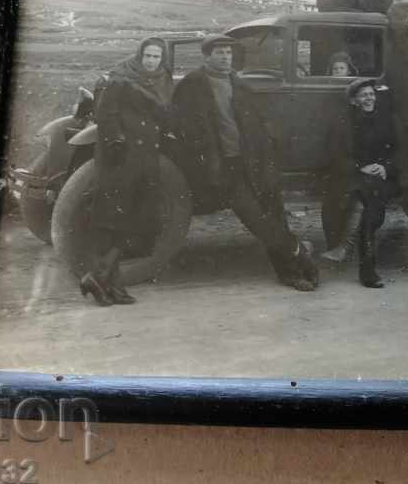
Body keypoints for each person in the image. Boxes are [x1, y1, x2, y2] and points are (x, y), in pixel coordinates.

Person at [171, 35, 319, 291]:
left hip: (251, 162)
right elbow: (185, 128)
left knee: (273, 213)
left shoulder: (237, 83)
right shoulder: (192, 85)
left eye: (228, 52)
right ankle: (299, 255)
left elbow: (257, 123)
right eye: (220, 53)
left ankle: (291, 272)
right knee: (257, 220)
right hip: (224, 167)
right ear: (206, 56)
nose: (226, 57)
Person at [84, 37, 175, 306]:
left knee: (136, 218)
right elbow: (106, 114)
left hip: (147, 157)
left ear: (162, 59)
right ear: (139, 55)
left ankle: (102, 279)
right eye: (147, 55)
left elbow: (164, 113)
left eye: (156, 57)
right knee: (112, 219)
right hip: (121, 157)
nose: (150, 61)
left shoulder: (163, 80)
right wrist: (116, 142)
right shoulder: (120, 78)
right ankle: (109, 283)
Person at [322, 78, 397, 288]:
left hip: (383, 177)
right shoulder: (344, 123)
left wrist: (385, 168)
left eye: (372, 94)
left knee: (367, 200)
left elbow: (397, 152)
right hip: (355, 176)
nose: (369, 98)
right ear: (354, 100)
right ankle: (368, 271)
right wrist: (359, 167)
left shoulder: (386, 120)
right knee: (368, 208)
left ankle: (345, 247)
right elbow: (336, 155)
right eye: (364, 95)